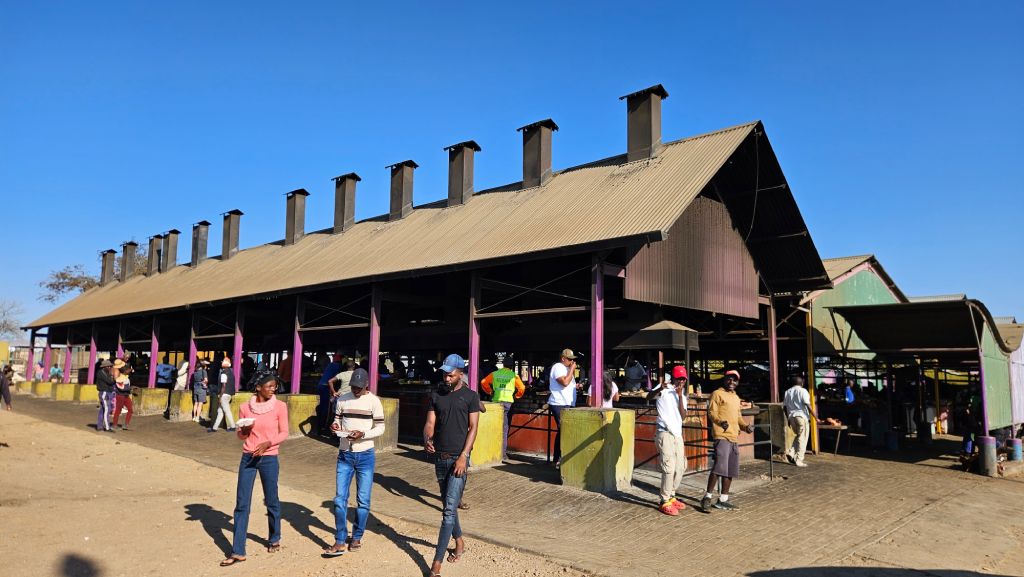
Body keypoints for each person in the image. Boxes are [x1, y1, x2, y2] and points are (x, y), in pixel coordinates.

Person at [220, 374, 290, 566]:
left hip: (269, 458)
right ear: (258, 387)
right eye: (270, 386)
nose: (273, 389)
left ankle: (274, 537)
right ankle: (238, 551)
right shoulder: (245, 407)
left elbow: (284, 432)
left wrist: (268, 443)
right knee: (242, 503)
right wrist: (244, 431)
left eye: (275, 386)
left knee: (271, 500)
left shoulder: (280, 406)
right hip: (248, 458)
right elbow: (241, 436)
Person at [423, 354, 479, 577]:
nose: (446, 378)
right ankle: (460, 541)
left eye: (451, 375)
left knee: (447, 511)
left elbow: (473, 428)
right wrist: (427, 438)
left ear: (460, 374)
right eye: (444, 375)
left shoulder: (471, 396)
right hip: (440, 457)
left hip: (459, 459)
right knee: (449, 504)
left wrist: (464, 456)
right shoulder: (436, 395)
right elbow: (430, 422)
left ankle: (436, 564)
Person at [323, 368, 385, 557]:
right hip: (345, 454)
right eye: (353, 387)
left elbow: (381, 427)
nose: (356, 390)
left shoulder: (374, 401)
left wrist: (363, 434)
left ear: (366, 384)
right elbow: (337, 421)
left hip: (366, 455)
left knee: (363, 500)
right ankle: (340, 540)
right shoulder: (342, 399)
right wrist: (335, 427)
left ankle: (357, 536)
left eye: (359, 387)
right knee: (339, 499)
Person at [701, 370, 753, 513]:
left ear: (737, 382)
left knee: (730, 469)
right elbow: (712, 412)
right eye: (729, 379)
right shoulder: (717, 394)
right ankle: (707, 497)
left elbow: (738, 417)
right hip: (721, 435)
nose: (732, 382)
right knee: (719, 467)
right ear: (724, 380)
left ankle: (723, 499)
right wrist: (720, 422)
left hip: (734, 437)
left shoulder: (736, 397)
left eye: (734, 380)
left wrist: (745, 427)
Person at [649, 366, 688, 515]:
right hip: (664, 432)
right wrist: (660, 388)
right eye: (679, 378)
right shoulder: (664, 389)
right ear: (673, 378)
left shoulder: (683, 396)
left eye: (683, 379)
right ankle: (664, 500)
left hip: (677, 434)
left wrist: (680, 396)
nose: (681, 381)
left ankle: (671, 495)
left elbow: (683, 416)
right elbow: (648, 397)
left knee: (680, 466)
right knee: (669, 467)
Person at [480, 361, 525, 462]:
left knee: (493, 428)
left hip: (496, 403)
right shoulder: (514, 376)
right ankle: (502, 455)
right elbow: (522, 388)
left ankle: (491, 452)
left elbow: (483, 382)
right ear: (511, 366)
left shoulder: (495, 374)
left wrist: (490, 391)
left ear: (503, 365)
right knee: (504, 429)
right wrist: (517, 396)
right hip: (508, 404)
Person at [548, 349, 581, 466]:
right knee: (565, 430)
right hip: (559, 403)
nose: (572, 362)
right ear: (563, 358)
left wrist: (576, 386)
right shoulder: (558, 367)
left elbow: (568, 384)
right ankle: (560, 459)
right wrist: (572, 369)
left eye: (573, 360)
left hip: (566, 403)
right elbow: (564, 382)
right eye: (570, 359)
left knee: (563, 431)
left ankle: (557, 458)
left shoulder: (566, 369)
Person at [783, 375, 819, 467]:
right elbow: (808, 405)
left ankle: (791, 453)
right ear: (802, 383)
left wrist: (788, 420)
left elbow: (785, 407)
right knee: (803, 439)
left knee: (799, 436)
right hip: (801, 417)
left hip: (791, 417)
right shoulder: (803, 391)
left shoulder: (787, 392)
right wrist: (816, 417)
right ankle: (799, 460)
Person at [317, 355, 345, 435]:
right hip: (326, 387)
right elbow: (336, 379)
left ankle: (319, 427)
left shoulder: (330, 365)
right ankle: (323, 428)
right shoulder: (338, 366)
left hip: (320, 386)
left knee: (322, 407)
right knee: (327, 409)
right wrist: (334, 391)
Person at [209, 358, 237, 432]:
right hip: (229, 394)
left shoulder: (224, 373)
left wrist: (220, 396)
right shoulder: (231, 373)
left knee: (227, 411)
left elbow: (223, 385)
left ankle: (233, 426)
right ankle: (214, 428)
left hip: (224, 394)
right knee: (220, 411)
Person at [111, 361, 134, 430]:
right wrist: (130, 389)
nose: (129, 371)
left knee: (130, 410)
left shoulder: (124, 377)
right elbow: (122, 388)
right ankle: (115, 425)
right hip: (121, 395)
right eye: (127, 370)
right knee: (118, 410)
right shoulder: (119, 378)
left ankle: (125, 425)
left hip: (125, 395)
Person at [95, 359, 115, 432]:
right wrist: (114, 377)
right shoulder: (101, 373)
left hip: (107, 392)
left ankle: (99, 426)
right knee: (107, 409)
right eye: (108, 366)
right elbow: (110, 381)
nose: (110, 367)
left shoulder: (106, 373)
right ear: (104, 367)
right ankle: (107, 427)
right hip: (104, 393)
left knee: (103, 410)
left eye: (110, 366)